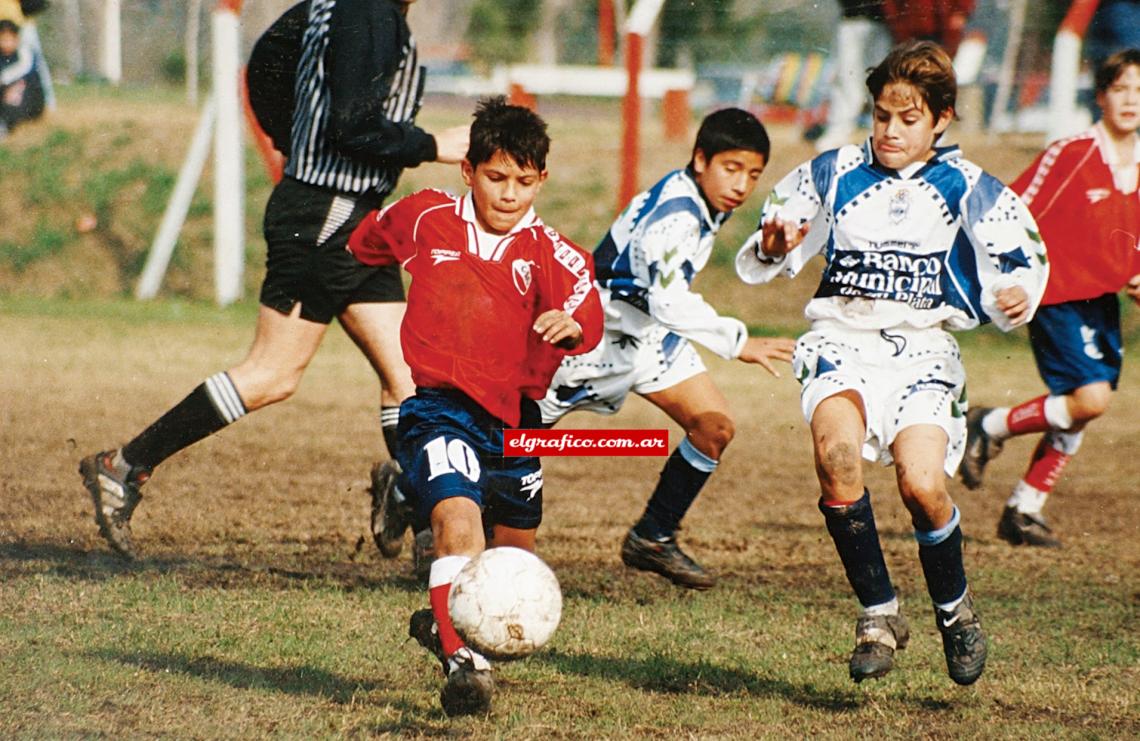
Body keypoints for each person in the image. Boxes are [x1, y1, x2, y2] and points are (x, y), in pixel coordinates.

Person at [78, 0, 470, 560]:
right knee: (273, 372)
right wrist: (433, 146)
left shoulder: (343, 6)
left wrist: (294, 140)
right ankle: (124, 466)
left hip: (348, 213)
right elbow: (352, 124)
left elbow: (265, 63)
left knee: (410, 373)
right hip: (326, 216)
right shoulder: (369, 12)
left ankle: (409, 496)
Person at [736, 41, 1049, 685]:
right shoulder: (831, 171)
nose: (891, 130)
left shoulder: (967, 185)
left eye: (908, 120)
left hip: (924, 352)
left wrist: (1018, 293)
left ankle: (955, 610)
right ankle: (879, 614)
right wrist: (771, 244)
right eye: (882, 115)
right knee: (837, 460)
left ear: (940, 120)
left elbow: (1024, 258)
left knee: (923, 486)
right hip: (840, 342)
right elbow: (772, 240)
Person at [347, 96, 603, 716]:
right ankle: (465, 662)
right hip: (438, 408)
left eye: (523, 181)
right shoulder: (424, 217)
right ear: (468, 170)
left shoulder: (552, 251)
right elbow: (366, 244)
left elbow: (586, 307)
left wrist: (571, 326)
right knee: (458, 527)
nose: (509, 193)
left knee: (513, 558)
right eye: (495, 177)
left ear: (541, 179)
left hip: (516, 424)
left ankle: (444, 616)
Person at [525, 108, 795, 591]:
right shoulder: (675, 218)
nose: (741, 184)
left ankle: (653, 536)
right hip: (595, 337)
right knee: (513, 445)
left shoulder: (705, 199)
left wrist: (769, 251)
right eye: (731, 169)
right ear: (700, 160)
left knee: (713, 426)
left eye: (752, 174)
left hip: (651, 336)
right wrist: (740, 343)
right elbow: (670, 300)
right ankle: (407, 491)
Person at [959, 49, 1140, 548]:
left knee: (1078, 407)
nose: (1131, 101)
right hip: (1056, 294)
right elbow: (1009, 208)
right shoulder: (1074, 152)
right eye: (1121, 89)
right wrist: (1006, 277)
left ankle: (1023, 508)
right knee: (1090, 399)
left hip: (1101, 301)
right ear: (1101, 95)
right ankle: (987, 424)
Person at [812, 1, 892, 152]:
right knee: (847, 79)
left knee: (882, 81)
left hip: (883, 22)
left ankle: (884, 132)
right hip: (851, 20)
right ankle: (838, 131)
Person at [0, 16, 44, 138]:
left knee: (14, 92)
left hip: (27, 99)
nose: (5, 43)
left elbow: (25, 71)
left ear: (17, 39)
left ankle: (6, 126)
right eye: (2, 39)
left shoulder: (25, 55)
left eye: (9, 39)